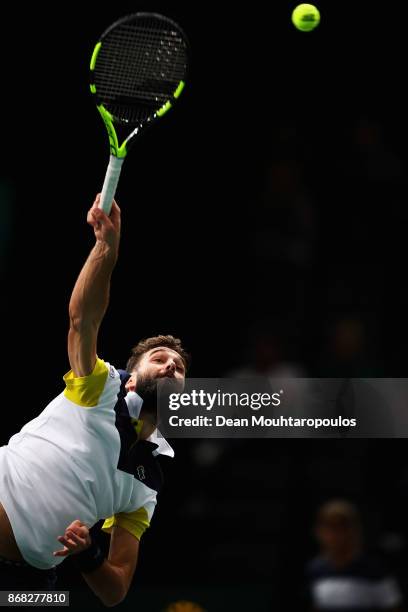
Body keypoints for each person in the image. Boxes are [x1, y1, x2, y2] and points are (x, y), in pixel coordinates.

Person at [0, 194, 189, 607]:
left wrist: (89, 555)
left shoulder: (146, 490)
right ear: (132, 376)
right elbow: (82, 319)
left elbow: (115, 590)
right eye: (160, 359)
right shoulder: (101, 388)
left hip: (28, 589)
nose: (172, 366)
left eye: (179, 367)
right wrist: (106, 248)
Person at [305, 499, 403, 612]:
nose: (335, 535)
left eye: (342, 528)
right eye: (330, 527)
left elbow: (393, 606)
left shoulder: (375, 570)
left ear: (354, 531)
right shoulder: (315, 569)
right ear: (319, 532)